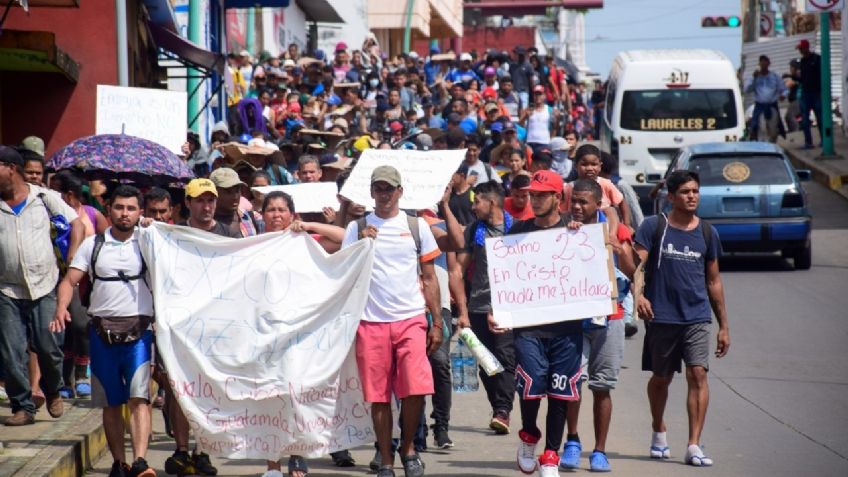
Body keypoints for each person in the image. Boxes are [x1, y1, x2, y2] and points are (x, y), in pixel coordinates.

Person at [341, 166, 443, 477]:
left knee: (415, 390)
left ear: (400, 191)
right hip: (370, 322)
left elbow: (429, 278)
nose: (384, 194)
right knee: (379, 396)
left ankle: (408, 447)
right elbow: (344, 273)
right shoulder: (357, 228)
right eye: (379, 188)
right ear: (371, 192)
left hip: (410, 318)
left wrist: (437, 321)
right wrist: (361, 246)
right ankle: (386, 458)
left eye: (390, 188)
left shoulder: (416, 226)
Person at [50, 185, 157, 477]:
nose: (125, 213)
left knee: (139, 399)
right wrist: (61, 308)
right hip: (102, 335)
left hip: (140, 333)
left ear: (140, 213)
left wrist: (154, 227)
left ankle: (140, 462)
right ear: (109, 210)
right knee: (111, 402)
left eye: (131, 208)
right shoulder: (92, 244)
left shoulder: (150, 242)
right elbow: (68, 281)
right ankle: (120, 463)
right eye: (120, 207)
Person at [634, 170, 730, 467]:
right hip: (662, 316)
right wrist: (639, 296)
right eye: (685, 192)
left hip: (697, 316)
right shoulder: (654, 227)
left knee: (698, 373)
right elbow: (637, 267)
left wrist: (724, 326)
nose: (692, 196)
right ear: (671, 196)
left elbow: (714, 281)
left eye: (695, 191)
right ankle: (658, 428)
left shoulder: (707, 233)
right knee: (661, 378)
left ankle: (693, 444)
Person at [493, 170, 583, 477]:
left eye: (542, 194)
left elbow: (596, 258)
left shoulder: (576, 229)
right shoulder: (518, 231)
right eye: (532, 194)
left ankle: (550, 456)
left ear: (558, 198)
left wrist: (581, 234)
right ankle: (529, 436)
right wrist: (499, 311)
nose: (535, 199)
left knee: (560, 392)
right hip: (529, 327)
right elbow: (504, 274)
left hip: (567, 328)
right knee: (532, 388)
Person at [1, 145, 83, 426]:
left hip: (45, 285)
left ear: (11, 168)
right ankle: (23, 406)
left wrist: (73, 257)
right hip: (6, 289)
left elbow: (77, 224)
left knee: (49, 347)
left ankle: (52, 388)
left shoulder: (45, 198)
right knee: (12, 351)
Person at [560, 179, 636, 473]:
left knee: (602, 387)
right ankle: (573, 441)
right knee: (571, 384)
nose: (577, 207)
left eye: (583, 202)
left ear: (597, 204)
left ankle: (599, 451)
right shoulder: (561, 228)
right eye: (573, 202)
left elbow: (632, 270)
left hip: (610, 317)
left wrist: (618, 248)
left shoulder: (614, 229)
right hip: (573, 320)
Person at [448, 180, 517, 435]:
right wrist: (462, 310)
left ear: (492, 202)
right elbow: (459, 269)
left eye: (477, 201)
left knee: (506, 357)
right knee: (486, 363)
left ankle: (503, 411)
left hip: (509, 307)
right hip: (478, 306)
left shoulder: (519, 229)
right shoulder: (475, 231)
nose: (473, 206)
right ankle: (499, 407)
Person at [744, 55, 787, 142]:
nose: (763, 64)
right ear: (759, 64)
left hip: (772, 106)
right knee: (759, 128)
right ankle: (760, 143)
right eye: (761, 62)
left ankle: (773, 144)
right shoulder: (755, 77)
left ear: (768, 63)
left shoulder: (774, 77)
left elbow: (785, 89)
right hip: (760, 107)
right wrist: (753, 78)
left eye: (765, 62)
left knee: (774, 130)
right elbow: (746, 89)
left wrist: (783, 95)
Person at [209, 168, 260, 238]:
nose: (235, 196)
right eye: (228, 191)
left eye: (237, 190)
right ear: (214, 193)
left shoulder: (253, 218)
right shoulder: (202, 224)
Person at [794, 39, 823, 149]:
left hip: (816, 94)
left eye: (801, 48)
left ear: (806, 48)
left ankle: (824, 140)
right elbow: (802, 79)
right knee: (805, 120)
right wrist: (794, 76)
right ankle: (808, 142)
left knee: (820, 118)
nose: (800, 51)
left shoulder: (816, 59)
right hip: (805, 94)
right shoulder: (802, 62)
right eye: (799, 49)